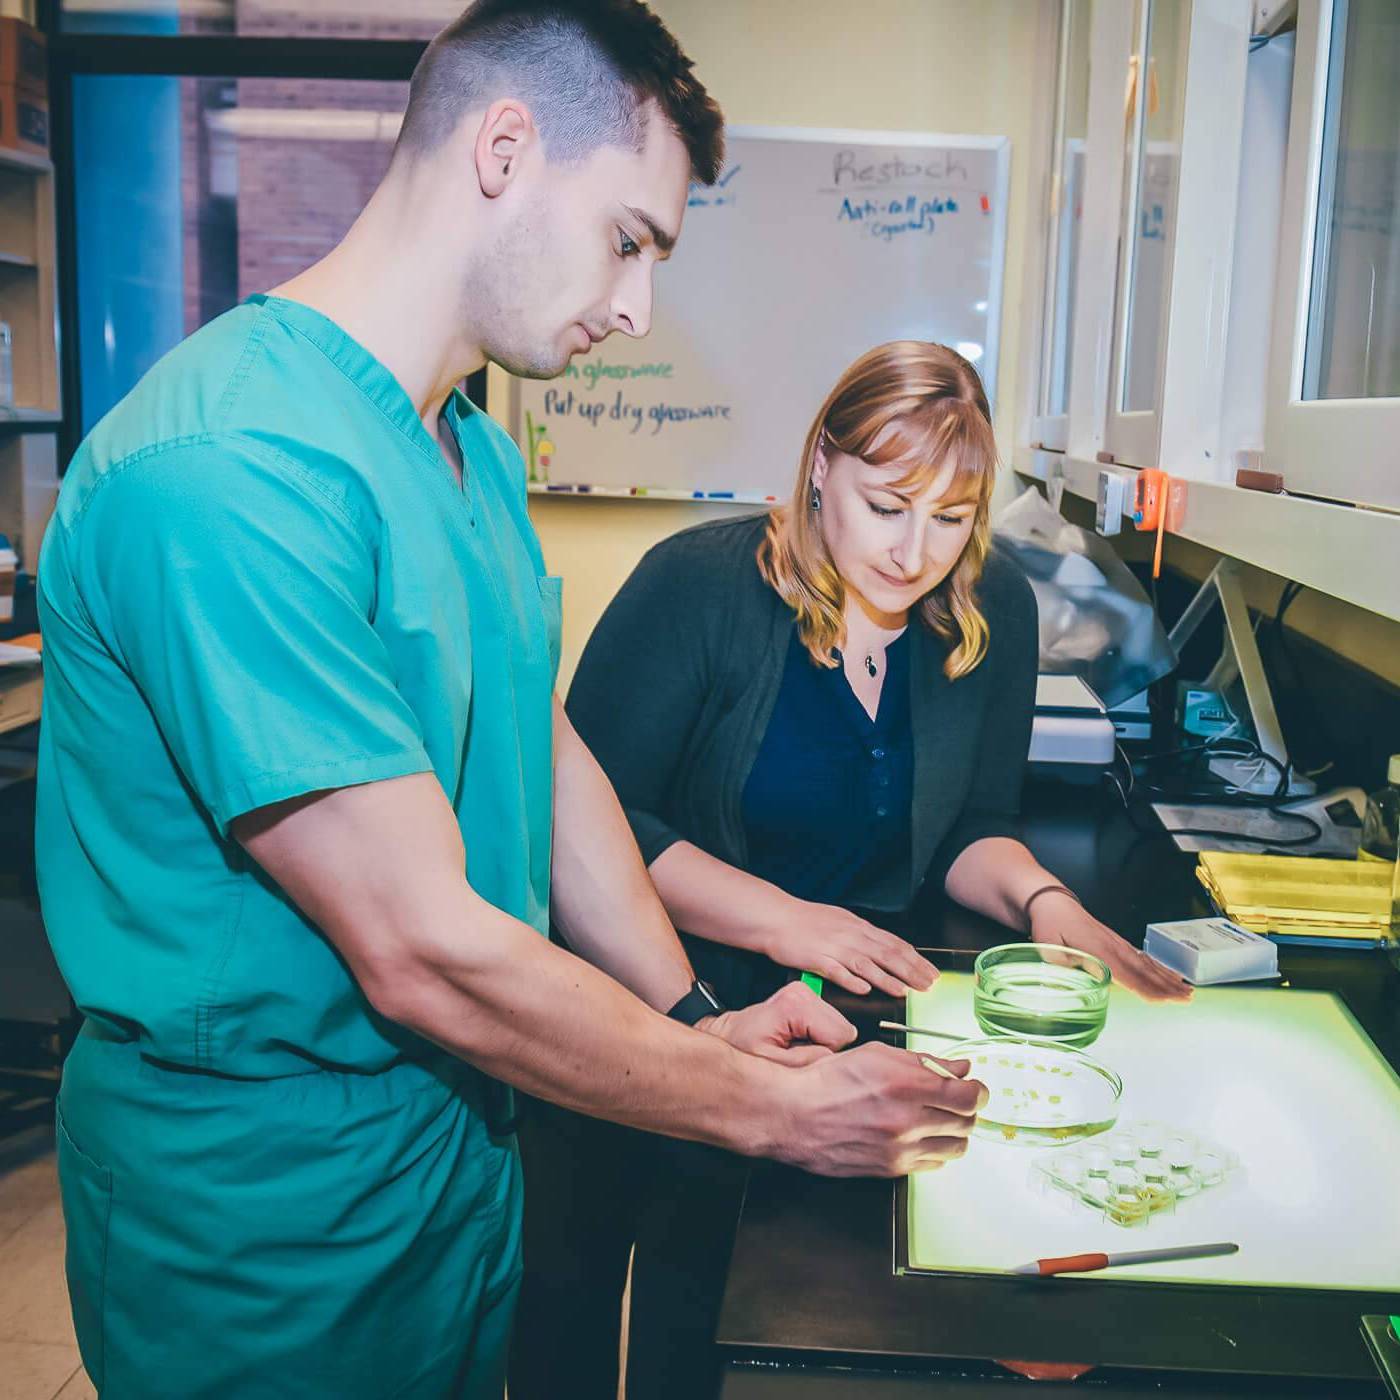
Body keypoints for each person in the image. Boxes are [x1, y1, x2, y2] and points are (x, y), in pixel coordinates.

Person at [34, 11, 987, 1399]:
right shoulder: (231, 470)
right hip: (269, 1211)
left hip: (458, 1153)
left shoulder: (468, 452)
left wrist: (686, 1013)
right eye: (631, 239)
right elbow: (421, 946)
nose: (638, 307)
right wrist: (768, 1110)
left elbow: (540, 765)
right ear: (503, 149)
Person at [512, 340, 1192, 1400]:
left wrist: (1043, 902)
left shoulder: (991, 609)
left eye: (950, 517)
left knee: (717, 1317)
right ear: (819, 465)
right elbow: (587, 820)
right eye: (886, 505)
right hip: (640, 987)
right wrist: (783, 918)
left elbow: (971, 823)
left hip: (835, 1008)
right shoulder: (696, 584)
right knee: (572, 1287)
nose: (914, 550)